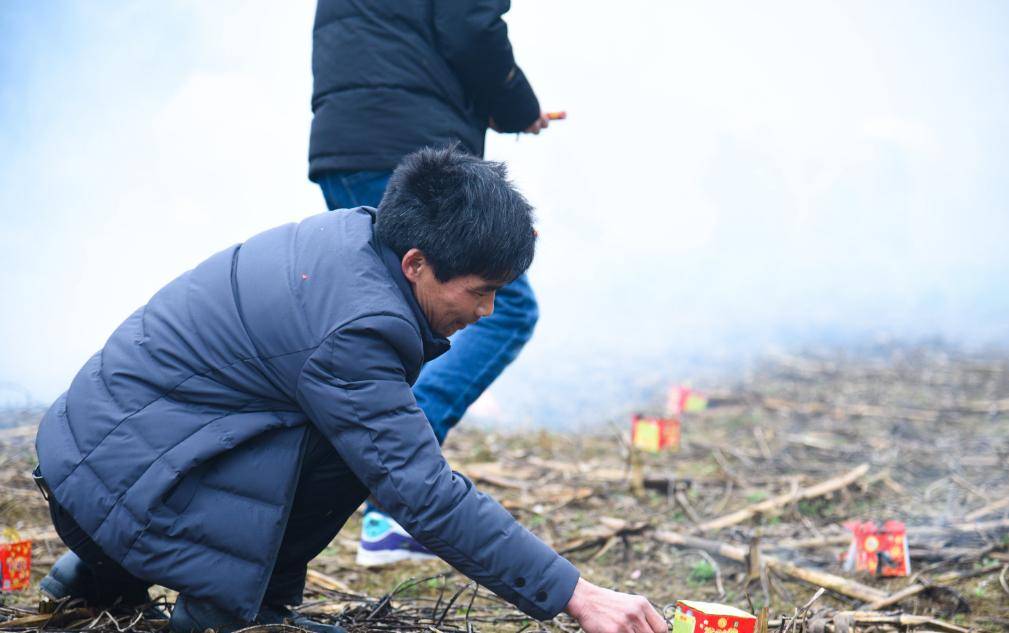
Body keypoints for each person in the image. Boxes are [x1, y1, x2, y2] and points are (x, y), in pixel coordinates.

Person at [34, 148, 667, 633]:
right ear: (416, 263)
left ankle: (101, 574)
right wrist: (577, 595)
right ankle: (230, 611)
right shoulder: (359, 325)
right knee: (355, 454)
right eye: (478, 291)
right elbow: (423, 494)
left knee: (349, 435)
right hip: (115, 494)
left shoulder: (357, 240)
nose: (487, 312)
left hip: (97, 474)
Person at [308, 0, 550, 564]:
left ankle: (326, 494)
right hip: (408, 150)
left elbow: (393, 42)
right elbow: (470, 25)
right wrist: (516, 104)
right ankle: (391, 504)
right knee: (507, 310)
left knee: (376, 318)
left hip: (345, 141)